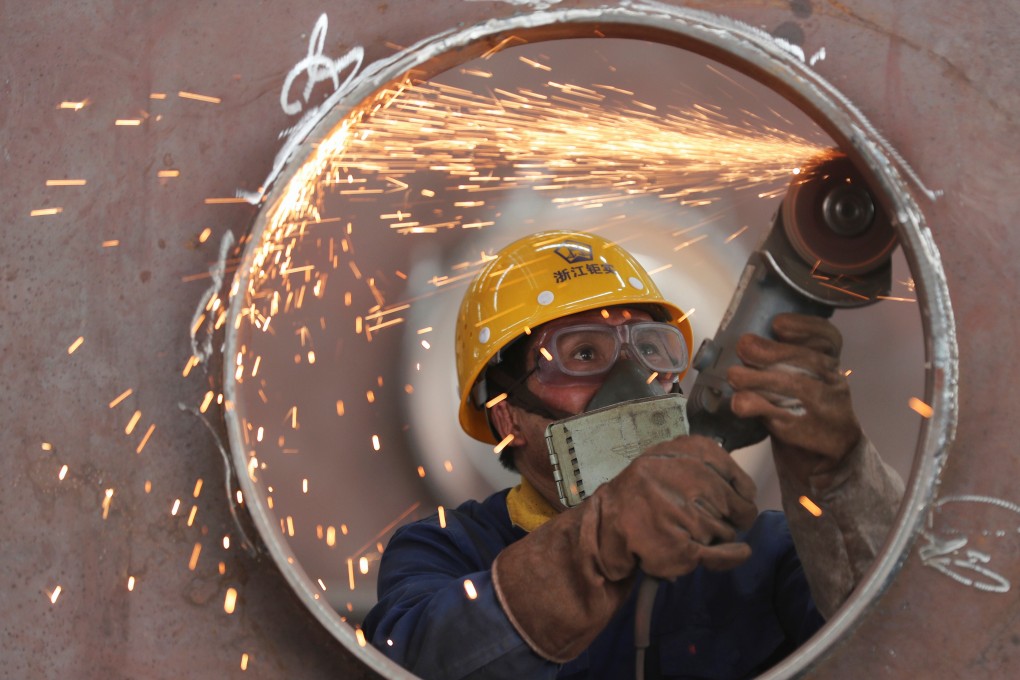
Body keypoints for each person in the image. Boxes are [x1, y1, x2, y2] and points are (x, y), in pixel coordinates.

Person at [363, 230, 903, 679]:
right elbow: (419, 659)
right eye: (581, 354)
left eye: (648, 347)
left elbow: (907, 641)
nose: (634, 379)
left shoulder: (758, 552)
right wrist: (594, 544)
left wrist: (840, 479)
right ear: (506, 415)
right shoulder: (447, 551)